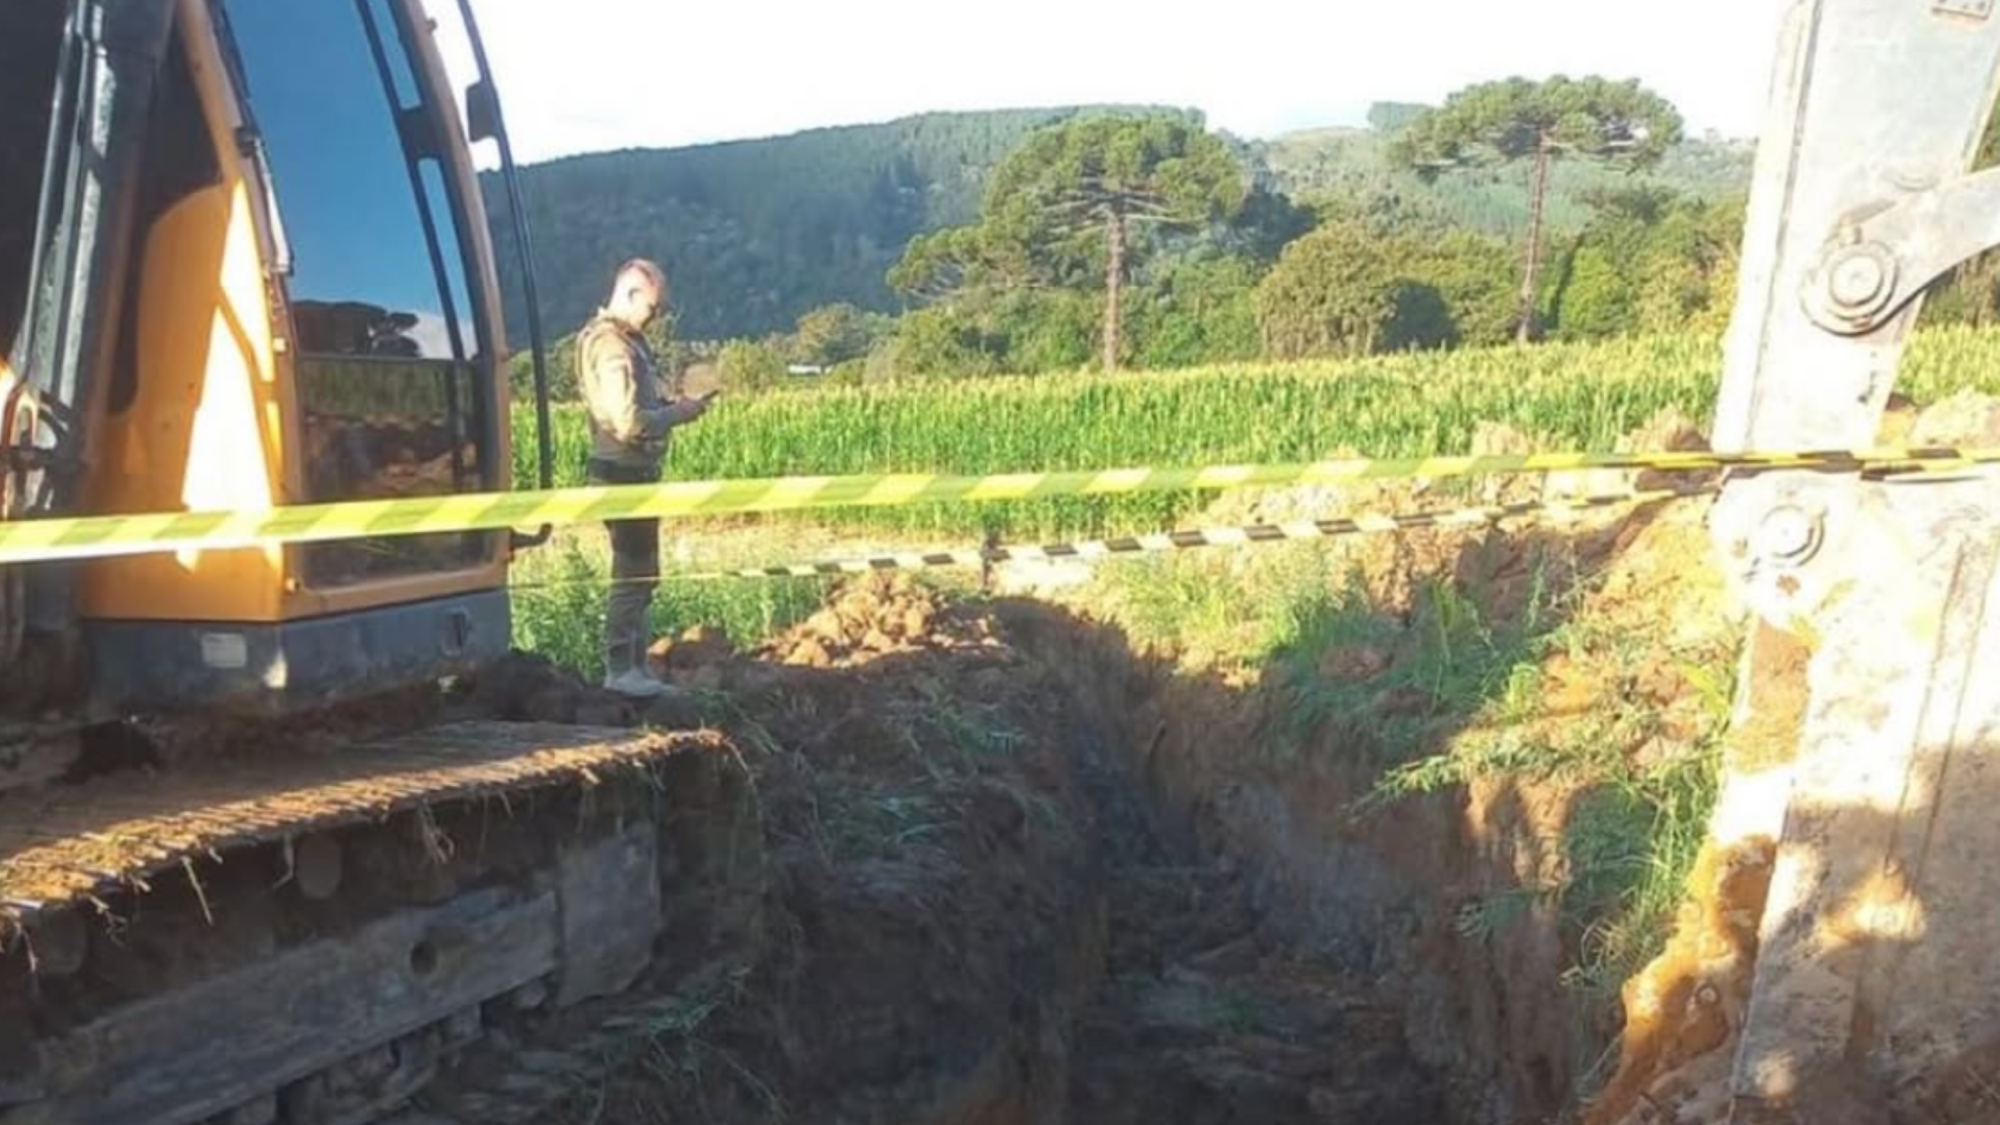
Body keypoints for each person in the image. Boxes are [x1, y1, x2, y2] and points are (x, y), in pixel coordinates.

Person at [577, 258, 716, 698]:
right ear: (632, 293)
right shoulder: (614, 347)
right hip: (624, 476)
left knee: (642, 575)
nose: (654, 317)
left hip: (631, 475)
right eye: (652, 308)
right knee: (632, 576)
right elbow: (628, 421)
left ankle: (635, 667)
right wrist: (681, 413)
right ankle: (622, 671)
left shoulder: (621, 342)